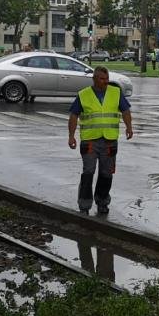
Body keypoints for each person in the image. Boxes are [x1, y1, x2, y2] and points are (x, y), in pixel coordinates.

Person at [67, 66, 133, 214]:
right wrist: (71, 136)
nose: (105, 82)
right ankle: (84, 206)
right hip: (90, 141)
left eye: (107, 79)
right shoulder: (83, 95)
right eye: (102, 79)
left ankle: (102, 202)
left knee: (106, 174)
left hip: (109, 140)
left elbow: (126, 111)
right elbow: (73, 116)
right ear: (94, 79)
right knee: (88, 172)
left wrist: (129, 127)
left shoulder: (115, 92)